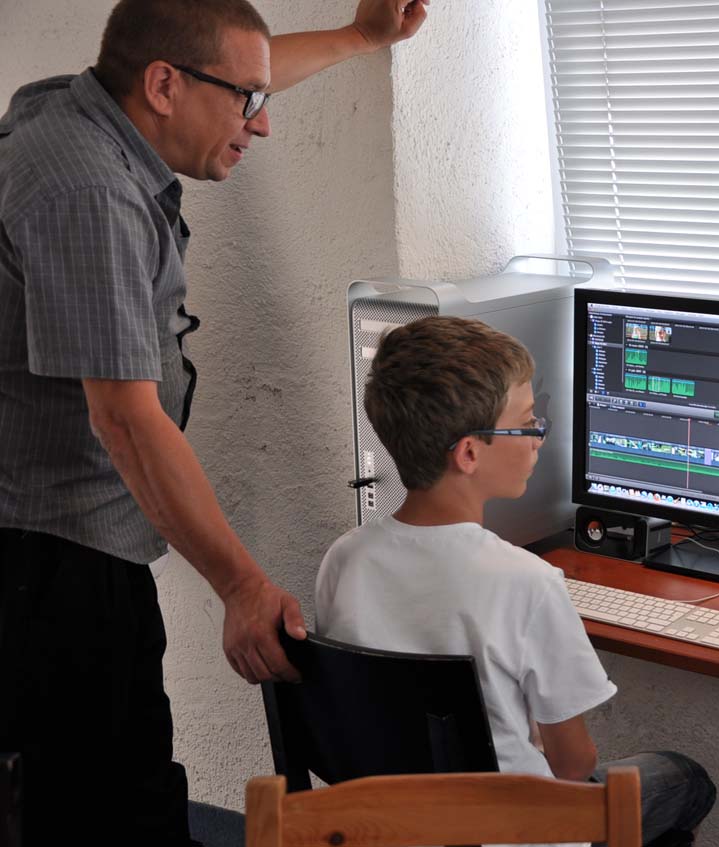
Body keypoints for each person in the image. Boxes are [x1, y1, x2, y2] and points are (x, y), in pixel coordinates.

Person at [0, 0, 426, 843]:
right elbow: (126, 420)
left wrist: (360, 38)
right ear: (163, 86)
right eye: (247, 104)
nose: (260, 125)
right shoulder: (90, 190)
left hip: (59, 531)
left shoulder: (80, 105)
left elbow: (225, 73)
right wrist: (241, 586)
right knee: (110, 809)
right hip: (53, 558)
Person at [316, 316, 717, 847]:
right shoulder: (528, 582)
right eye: (528, 424)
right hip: (514, 831)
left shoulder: (343, 559)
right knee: (685, 778)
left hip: (388, 829)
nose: (538, 438)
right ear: (469, 453)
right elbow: (573, 766)